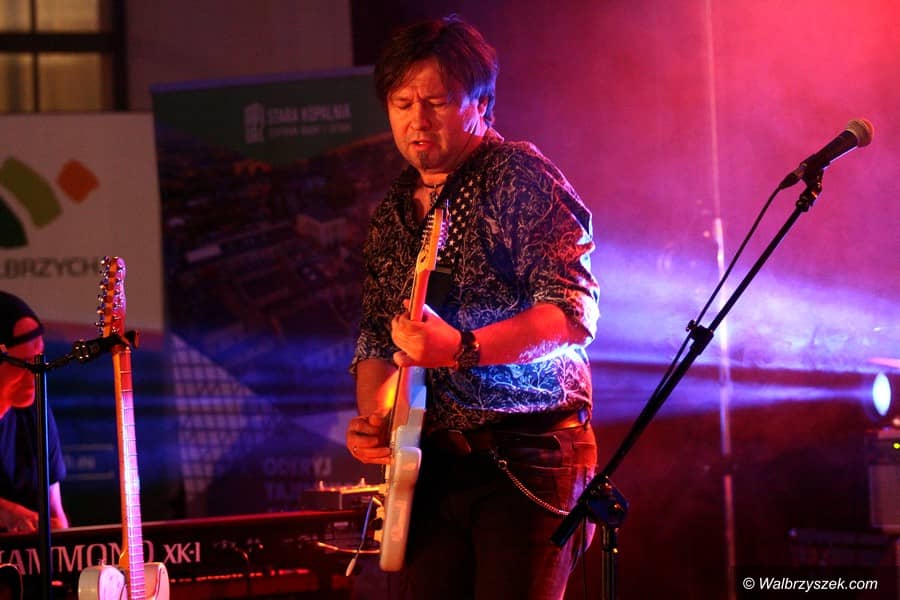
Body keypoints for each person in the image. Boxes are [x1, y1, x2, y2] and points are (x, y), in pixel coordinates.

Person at [346, 15, 600, 600]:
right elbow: (378, 337)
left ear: (480, 103)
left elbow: (571, 312)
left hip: (527, 456)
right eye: (402, 103)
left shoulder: (517, 175)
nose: (417, 119)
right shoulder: (392, 211)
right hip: (434, 466)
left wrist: (461, 349)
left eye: (436, 102)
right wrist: (376, 423)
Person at [0, 291, 69, 533]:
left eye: (39, 361)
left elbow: (56, 516)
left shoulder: (36, 412)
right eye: (24, 364)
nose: (35, 375)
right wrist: (6, 513)